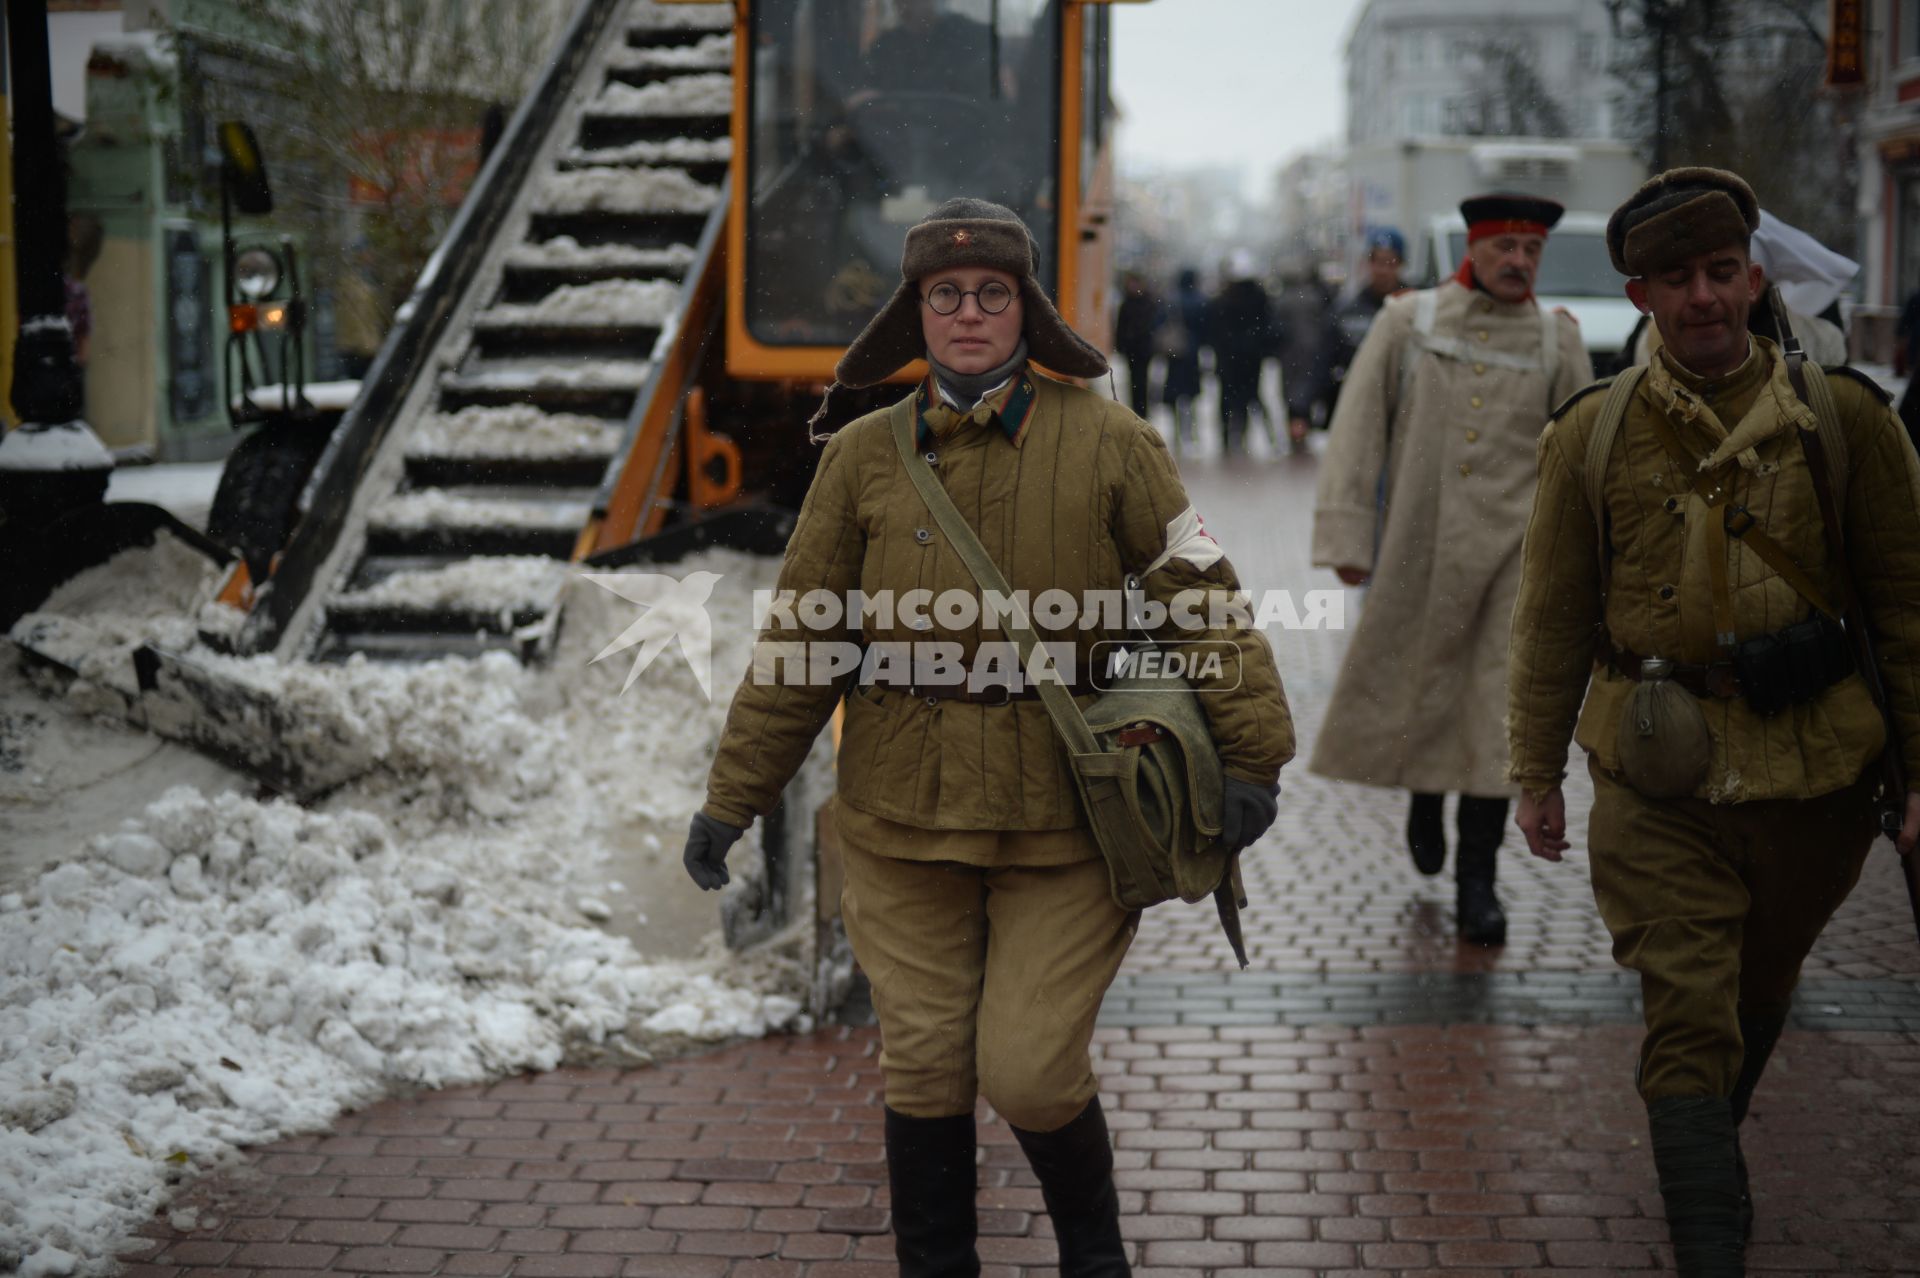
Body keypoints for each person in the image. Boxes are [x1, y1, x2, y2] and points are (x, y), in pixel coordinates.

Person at [682, 199, 1296, 1277]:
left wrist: (1252, 754)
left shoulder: (1113, 441)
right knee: (920, 1067)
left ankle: (1094, 1256)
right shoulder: (863, 457)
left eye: (992, 293)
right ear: (916, 314)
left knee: (1028, 1071)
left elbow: (1203, 598)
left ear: (1027, 310)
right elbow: (803, 639)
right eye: (945, 295)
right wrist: (732, 797)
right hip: (898, 817)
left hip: (1065, 819)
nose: (969, 312)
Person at [1507, 167, 1920, 1275]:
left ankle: (1707, 1161)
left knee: (1757, 990)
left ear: (1754, 276)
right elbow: (1550, 615)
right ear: (1640, 295)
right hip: (1656, 774)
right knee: (1686, 1011)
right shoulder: (1590, 437)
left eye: (1722, 272)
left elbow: (1905, 606)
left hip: (1816, 780)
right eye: (1677, 279)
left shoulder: (1846, 422)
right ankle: (1709, 1245)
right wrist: (1533, 771)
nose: (1704, 298)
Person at [1310, 193, 1592, 946]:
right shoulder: (1410, 322)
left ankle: (1478, 881)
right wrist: (1348, 538)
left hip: (1516, 562)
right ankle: (1424, 799)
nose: (1518, 263)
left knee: (1496, 718)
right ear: (1476, 247)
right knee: (1420, 688)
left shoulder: (1555, 342)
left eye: (1531, 251)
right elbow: (1358, 427)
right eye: (1505, 248)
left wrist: (1586, 562)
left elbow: (1581, 462)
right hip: (1418, 545)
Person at [1319, 226, 1408, 417]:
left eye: (1390, 263)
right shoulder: (1347, 311)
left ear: (1401, 265)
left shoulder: (1417, 308)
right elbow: (1324, 360)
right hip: (1360, 410)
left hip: (1406, 410)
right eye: (1378, 262)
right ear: (1368, 263)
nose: (1383, 270)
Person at [1208, 250, 1278, 455]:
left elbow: (1214, 331)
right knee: (1249, 397)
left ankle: (1228, 438)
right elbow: (1266, 327)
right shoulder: (1260, 299)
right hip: (1250, 358)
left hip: (1229, 359)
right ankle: (1244, 436)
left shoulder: (1222, 299)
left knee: (1228, 399)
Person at [1272, 269, 1332, 453]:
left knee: (1291, 392)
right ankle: (1303, 427)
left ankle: (1293, 428)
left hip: (1290, 353)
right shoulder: (1314, 297)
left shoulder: (1282, 300)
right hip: (1312, 350)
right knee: (1307, 391)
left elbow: (1276, 328)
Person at [1160, 267, 1208, 450]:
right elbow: (1205, 327)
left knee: (1173, 391)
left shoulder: (1172, 299)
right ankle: (1189, 431)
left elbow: (1160, 322)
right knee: (1190, 393)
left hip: (1175, 352)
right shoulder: (1200, 300)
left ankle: (1176, 430)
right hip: (1192, 353)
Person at [1112, 270, 1163, 418]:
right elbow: (1120, 327)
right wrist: (1121, 344)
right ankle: (1136, 410)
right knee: (1133, 380)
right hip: (1131, 349)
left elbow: (1153, 325)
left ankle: (1142, 411)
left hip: (1144, 349)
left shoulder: (1148, 302)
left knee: (1142, 381)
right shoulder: (1127, 303)